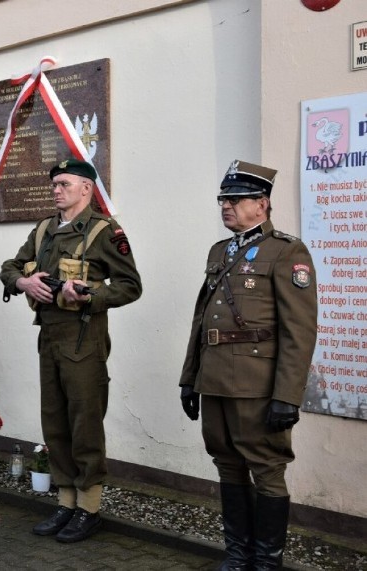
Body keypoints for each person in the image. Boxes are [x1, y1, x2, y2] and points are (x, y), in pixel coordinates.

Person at [179, 160, 318, 571]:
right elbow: (201, 321)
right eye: (223, 199)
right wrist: (189, 380)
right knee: (226, 463)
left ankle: (266, 561)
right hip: (215, 381)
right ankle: (238, 555)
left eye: (236, 199)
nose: (226, 206)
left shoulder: (287, 250)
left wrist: (287, 396)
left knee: (267, 469)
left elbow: (300, 330)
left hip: (258, 386)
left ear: (263, 203)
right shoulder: (219, 251)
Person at [0, 158, 142, 543]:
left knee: (85, 423)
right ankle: (65, 502)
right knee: (56, 421)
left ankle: (89, 508)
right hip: (49, 337)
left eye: (64, 183)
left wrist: (86, 293)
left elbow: (130, 285)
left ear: (86, 189)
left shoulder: (103, 232)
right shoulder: (46, 228)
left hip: (84, 340)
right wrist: (23, 282)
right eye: (54, 184)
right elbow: (9, 266)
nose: (56, 189)